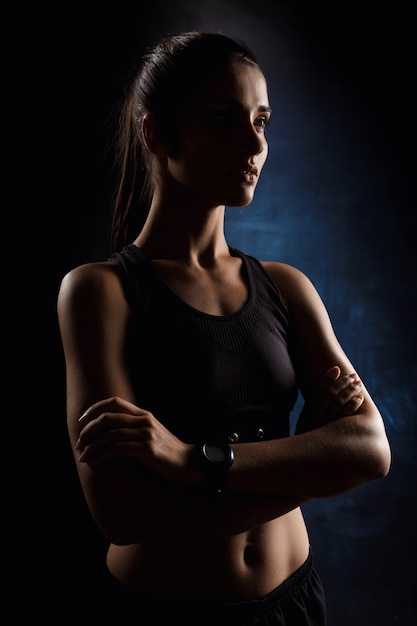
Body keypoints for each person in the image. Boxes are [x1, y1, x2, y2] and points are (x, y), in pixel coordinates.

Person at [57, 31, 391, 625]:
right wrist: (309, 461)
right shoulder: (98, 291)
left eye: (262, 121)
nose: (254, 144)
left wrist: (194, 461)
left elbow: (369, 448)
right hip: (165, 611)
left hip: (296, 603)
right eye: (222, 119)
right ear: (155, 133)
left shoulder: (286, 287)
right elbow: (122, 513)